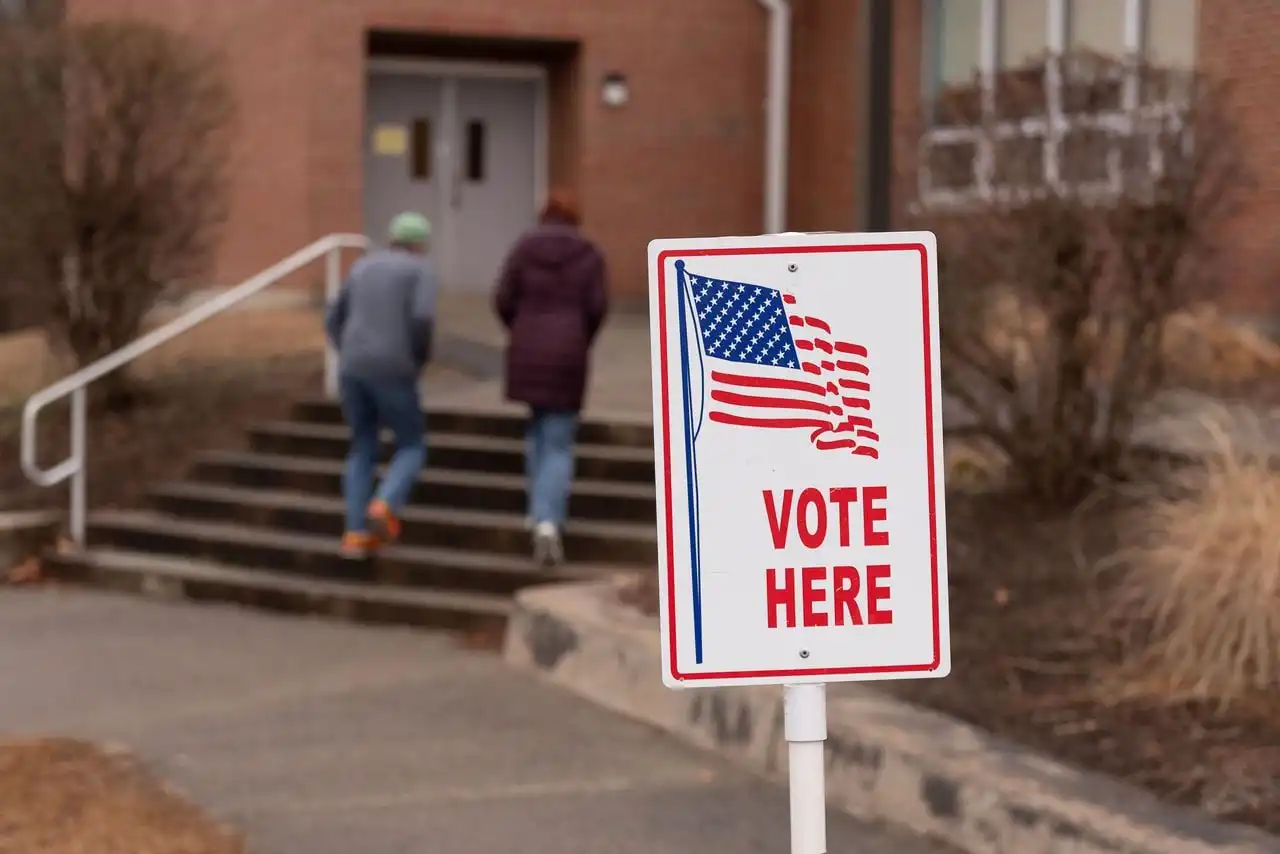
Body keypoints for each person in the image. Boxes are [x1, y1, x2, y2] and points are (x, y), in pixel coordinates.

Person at [495, 188, 608, 566]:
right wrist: (580, 336)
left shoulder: (524, 248)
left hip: (527, 346)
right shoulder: (589, 254)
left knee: (537, 427)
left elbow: (503, 297)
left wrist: (520, 328)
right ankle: (548, 521)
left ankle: (536, 510)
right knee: (559, 439)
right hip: (568, 350)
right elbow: (597, 306)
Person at [325, 212, 437, 559]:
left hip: (353, 367)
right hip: (394, 367)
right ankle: (385, 504)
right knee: (411, 444)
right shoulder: (420, 271)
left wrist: (347, 350)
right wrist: (417, 359)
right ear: (420, 243)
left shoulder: (361, 267)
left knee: (362, 446)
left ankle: (356, 533)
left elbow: (333, 316)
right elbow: (421, 319)